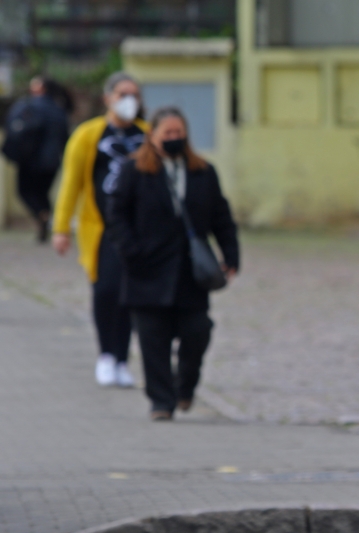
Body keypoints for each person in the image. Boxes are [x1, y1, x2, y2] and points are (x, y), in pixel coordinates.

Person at [106, 107, 239, 421]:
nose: (174, 138)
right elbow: (117, 215)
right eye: (168, 133)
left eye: (179, 133)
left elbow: (221, 217)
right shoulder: (133, 171)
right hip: (147, 269)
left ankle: (185, 386)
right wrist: (131, 251)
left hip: (189, 272)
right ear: (152, 136)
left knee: (198, 331)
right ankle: (161, 402)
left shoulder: (203, 172)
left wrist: (230, 255)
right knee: (153, 338)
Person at [51, 72, 148, 388]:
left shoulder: (147, 135)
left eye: (134, 94)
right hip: (101, 226)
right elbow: (71, 184)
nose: (128, 100)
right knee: (106, 289)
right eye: (122, 94)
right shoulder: (88, 135)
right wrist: (61, 227)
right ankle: (106, 354)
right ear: (108, 98)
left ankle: (122, 358)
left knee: (130, 294)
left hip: (139, 228)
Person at [1, 76, 70, 242]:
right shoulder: (58, 109)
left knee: (25, 191)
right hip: (52, 162)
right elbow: (65, 138)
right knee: (42, 193)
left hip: (30, 161)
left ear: (42, 88)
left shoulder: (28, 106)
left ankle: (42, 215)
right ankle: (44, 218)